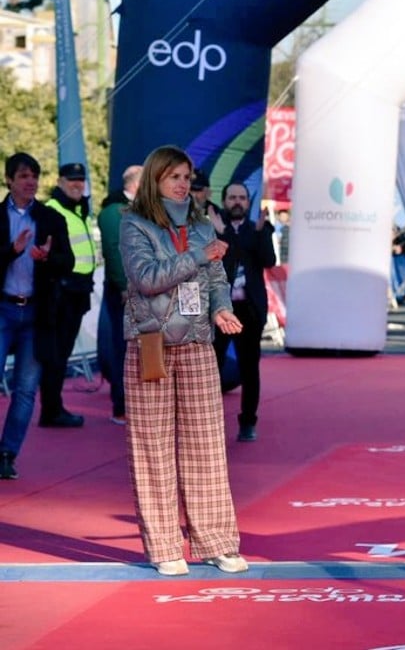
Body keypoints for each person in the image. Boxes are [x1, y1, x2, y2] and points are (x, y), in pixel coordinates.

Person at [120, 145, 248, 577]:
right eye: (174, 176)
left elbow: (217, 278)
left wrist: (221, 308)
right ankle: (163, 546)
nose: (182, 184)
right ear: (156, 179)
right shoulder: (134, 224)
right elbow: (146, 279)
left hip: (196, 341)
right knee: (152, 447)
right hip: (150, 343)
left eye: (186, 177)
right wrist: (197, 256)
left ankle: (216, 542)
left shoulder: (200, 224)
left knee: (206, 445)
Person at [0, 153, 73, 479]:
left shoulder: (50, 218)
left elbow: (68, 262)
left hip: (37, 312)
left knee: (26, 389)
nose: (30, 182)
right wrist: (12, 251)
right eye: (24, 176)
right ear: (9, 180)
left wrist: (47, 258)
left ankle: (7, 454)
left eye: (34, 176)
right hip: (3, 309)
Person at [212, 182, 276, 442]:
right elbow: (220, 257)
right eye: (232, 197)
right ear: (224, 201)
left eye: (242, 197)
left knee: (250, 370)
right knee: (211, 368)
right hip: (219, 310)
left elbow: (269, 260)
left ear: (248, 202)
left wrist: (258, 234)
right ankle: (208, 422)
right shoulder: (212, 229)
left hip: (249, 311)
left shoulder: (258, 229)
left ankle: (248, 422)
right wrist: (224, 233)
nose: (237, 202)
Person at [39, 161, 98, 428]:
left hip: (78, 290)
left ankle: (53, 407)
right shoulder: (52, 210)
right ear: (60, 182)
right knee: (56, 354)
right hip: (61, 292)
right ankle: (51, 410)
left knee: (61, 353)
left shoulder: (79, 209)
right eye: (72, 179)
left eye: (81, 180)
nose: (77, 184)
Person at [98, 164, 141, 425]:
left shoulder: (142, 209)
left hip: (146, 289)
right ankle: (122, 405)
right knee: (123, 349)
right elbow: (114, 251)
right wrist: (124, 286)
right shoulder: (114, 212)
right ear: (137, 184)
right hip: (124, 292)